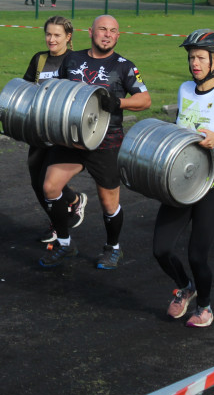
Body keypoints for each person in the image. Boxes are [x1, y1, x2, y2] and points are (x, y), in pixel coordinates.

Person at [154, 30, 214, 328]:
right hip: (181, 182)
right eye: (191, 58)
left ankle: (205, 307)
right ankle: (186, 287)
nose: (194, 63)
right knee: (161, 249)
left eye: (200, 58)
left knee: (198, 255)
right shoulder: (185, 90)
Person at [39, 15, 151, 269]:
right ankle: (65, 244)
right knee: (50, 188)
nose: (107, 34)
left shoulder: (124, 66)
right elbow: (55, 90)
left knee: (108, 203)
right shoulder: (72, 59)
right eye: (102, 29)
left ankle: (113, 248)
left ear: (117, 36)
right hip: (71, 139)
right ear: (91, 32)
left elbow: (145, 100)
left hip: (106, 141)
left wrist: (119, 102)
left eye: (113, 31)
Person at [22, 16, 87, 245]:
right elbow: (27, 88)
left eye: (57, 35)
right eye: (48, 34)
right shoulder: (39, 59)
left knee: (47, 181)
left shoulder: (76, 60)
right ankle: (68, 205)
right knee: (35, 181)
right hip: (38, 130)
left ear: (68, 37)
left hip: (61, 133)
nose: (51, 39)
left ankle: (62, 219)